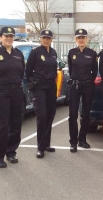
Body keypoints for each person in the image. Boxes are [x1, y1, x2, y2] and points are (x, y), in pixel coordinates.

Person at [26, 29, 57, 159]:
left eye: (48, 38)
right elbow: (28, 71)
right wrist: (32, 84)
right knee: (42, 116)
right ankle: (40, 147)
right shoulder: (35, 52)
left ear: (51, 39)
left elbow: (55, 69)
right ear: (40, 39)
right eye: (44, 38)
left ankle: (46, 144)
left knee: (50, 115)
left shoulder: (54, 52)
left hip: (51, 86)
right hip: (39, 87)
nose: (46, 40)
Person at [68, 29, 98, 153]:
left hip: (87, 86)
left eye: (83, 37)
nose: (81, 40)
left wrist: (89, 82)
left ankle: (82, 139)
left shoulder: (92, 53)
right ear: (75, 39)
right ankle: (73, 142)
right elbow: (70, 69)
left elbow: (95, 71)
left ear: (87, 39)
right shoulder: (71, 53)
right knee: (73, 114)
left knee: (86, 114)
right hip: (75, 86)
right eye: (78, 37)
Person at [0, 26, 25, 168]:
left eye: (11, 36)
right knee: (3, 125)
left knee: (16, 123)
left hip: (16, 91)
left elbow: (21, 73)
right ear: (1, 37)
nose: (9, 38)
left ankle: (11, 152)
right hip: (2, 92)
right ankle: (0, 155)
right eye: (6, 36)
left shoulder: (18, 54)